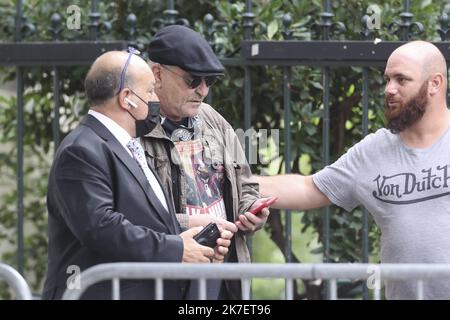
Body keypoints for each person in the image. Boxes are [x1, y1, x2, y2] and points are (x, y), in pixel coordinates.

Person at [256, 40, 450, 300]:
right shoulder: (375, 150)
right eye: (387, 79)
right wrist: (232, 181)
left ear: (434, 83)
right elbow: (308, 188)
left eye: (401, 80)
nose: (389, 89)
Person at [43, 49, 232, 300]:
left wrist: (194, 237)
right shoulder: (81, 150)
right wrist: (177, 249)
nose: (155, 99)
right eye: (150, 91)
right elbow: (101, 227)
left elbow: (143, 220)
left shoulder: (129, 145)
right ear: (127, 98)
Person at [141, 25, 270, 299]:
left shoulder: (213, 119)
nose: (202, 90)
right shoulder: (135, 130)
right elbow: (132, 217)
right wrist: (189, 223)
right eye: (193, 80)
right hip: (172, 276)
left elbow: (246, 183)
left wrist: (251, 211)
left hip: (224, 273)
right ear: (157, 74)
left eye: (209, 80)